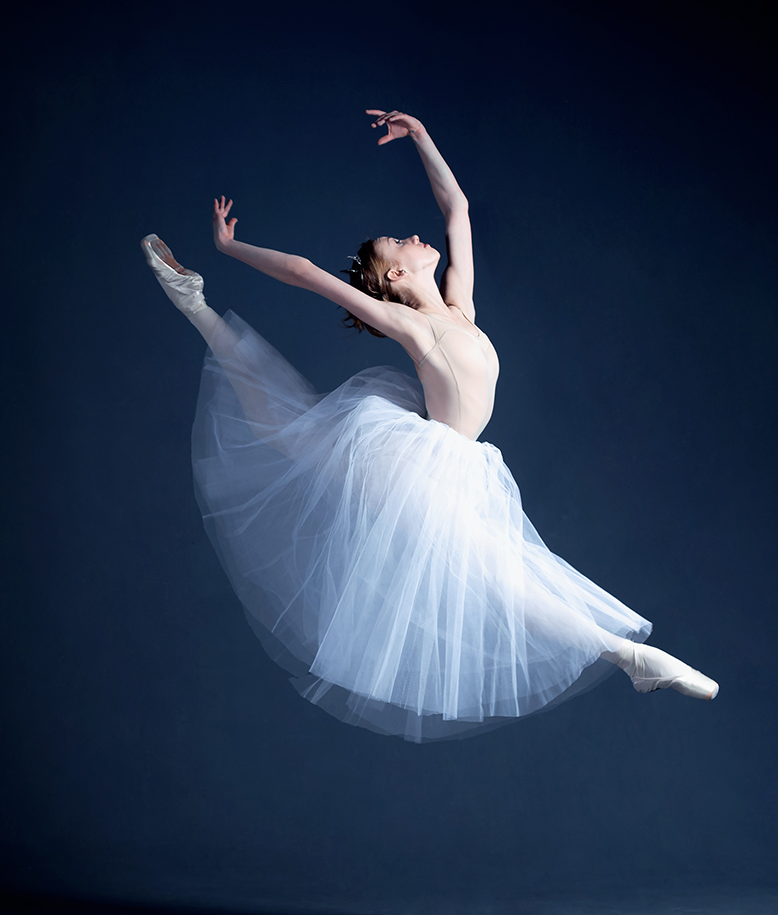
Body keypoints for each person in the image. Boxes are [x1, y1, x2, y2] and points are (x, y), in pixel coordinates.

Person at [141, 109, 718, 742]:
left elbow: (458, 208)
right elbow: (306, 272)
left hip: (456, 462)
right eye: (400, 242)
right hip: (415, 463)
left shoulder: (460, 307)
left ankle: (194, 304)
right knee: (494, 572)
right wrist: (229, 248)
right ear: (396, 276)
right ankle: (629, 657)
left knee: (297, 440)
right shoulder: (415, 326)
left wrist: (420, 137)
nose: (414, 237)